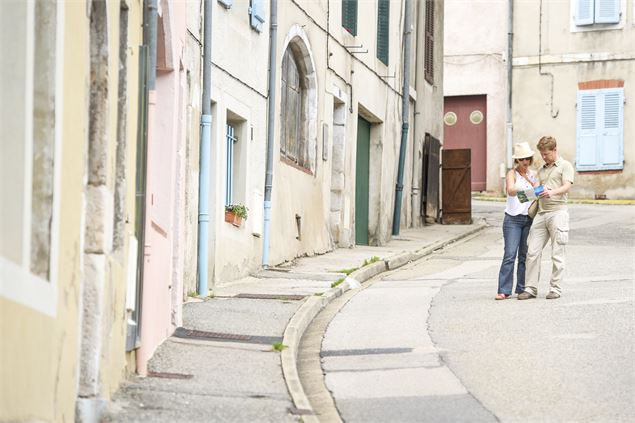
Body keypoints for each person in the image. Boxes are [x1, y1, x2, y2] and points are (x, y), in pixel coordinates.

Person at [518, 136, 574, 300]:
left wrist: (551, 191)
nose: (544, 157)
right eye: (542, 154)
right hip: (541, 214)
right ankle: (530, 288)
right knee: (532, 252)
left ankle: (555, 288)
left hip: (558, 213)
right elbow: (534, 190)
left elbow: (567, 186)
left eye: (547, 154)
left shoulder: (565, 166)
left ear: (555, 150)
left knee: (557, 254)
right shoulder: (541, 170)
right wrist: (533, 192)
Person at [495, 142, 538, 300]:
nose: (525, 162)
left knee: (524, 255)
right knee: (510, 255)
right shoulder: (511, 174)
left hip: (528, 218)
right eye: (521, 159)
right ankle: (504, 290)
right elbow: (511, 191)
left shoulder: (533, 174)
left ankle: (521, 288)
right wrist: (530, 191)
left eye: (527, 158)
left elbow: (539, 192)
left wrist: (532, 189)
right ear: (517, 161)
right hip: (512, 219)